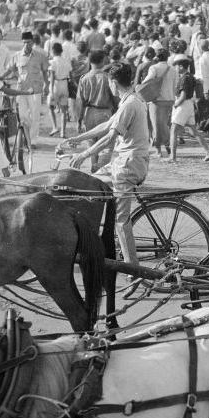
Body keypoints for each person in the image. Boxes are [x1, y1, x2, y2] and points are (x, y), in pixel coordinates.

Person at [68, 60, 150, 265]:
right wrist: (79, 139)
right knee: (86, 185)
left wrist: (84, 154)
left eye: (109, 83)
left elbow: (110, 137)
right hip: (122, 162)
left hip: (128, 166)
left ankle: (133, 267)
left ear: (114, 82)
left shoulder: (130, 104)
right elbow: (107, 125)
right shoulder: (130, 99)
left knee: (121, 221)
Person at [74, 50, 117, 171]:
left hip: (89, 112)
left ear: (89, 61)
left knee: (91, 144)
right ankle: (99, 169)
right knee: (105, 145)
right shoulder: (107, 78)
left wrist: (79, 119)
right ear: (102, 61)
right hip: (105, 113)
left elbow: (79, 101)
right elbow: (114, 97)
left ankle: (94, 169)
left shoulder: (84, 78)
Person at [5, 31, 49, 144]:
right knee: (23, 116)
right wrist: (0, 77)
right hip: (21, 90)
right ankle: (25, 137)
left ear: (32, 42)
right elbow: (9, 70)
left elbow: (45, 72)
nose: (26, 45)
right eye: (24, 42)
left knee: (35, 116)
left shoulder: (40, 56)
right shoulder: (16, 56)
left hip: (36, 90)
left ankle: (32, 140)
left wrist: (47, 85)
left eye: (28, 42)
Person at [169, 53, 209, 163]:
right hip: (189, 105)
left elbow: (183, 96)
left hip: (182, 105)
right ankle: (208, 152)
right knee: (194, 131)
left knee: (173, 131)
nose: (175, 68)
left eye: (176, 65)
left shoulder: (184, 78)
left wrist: (175, 104)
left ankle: (172, 157)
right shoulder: (190, 76)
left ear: (180, 66)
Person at [46, 42, 71, 138]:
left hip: (56, 84)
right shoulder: (66, 61)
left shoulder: (52, 62)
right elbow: (71, 74)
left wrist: (51, 91)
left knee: (50, 106)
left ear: (53, 51)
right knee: (64, 110)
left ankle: (55, 126)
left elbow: (52, 77)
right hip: (65, 84)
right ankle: (63, 132)